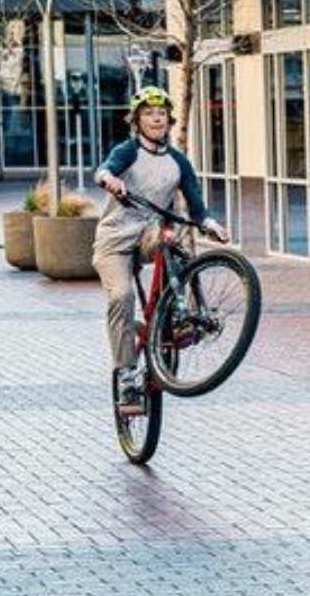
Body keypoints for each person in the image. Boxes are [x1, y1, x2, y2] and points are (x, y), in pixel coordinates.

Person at [93, 85, 228, 413]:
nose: (156, 118)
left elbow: (196, 204)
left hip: (149, 234)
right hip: (114, 241)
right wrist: (110, 180)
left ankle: (181, 312)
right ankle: (126, 375)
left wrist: (209, 222)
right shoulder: (129, 151)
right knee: (121, 297)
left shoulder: (178, 161)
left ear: (169, 120)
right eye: (149, 114)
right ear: (137, 121)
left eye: (161, 114)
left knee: (175, 230)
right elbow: (105, 169)